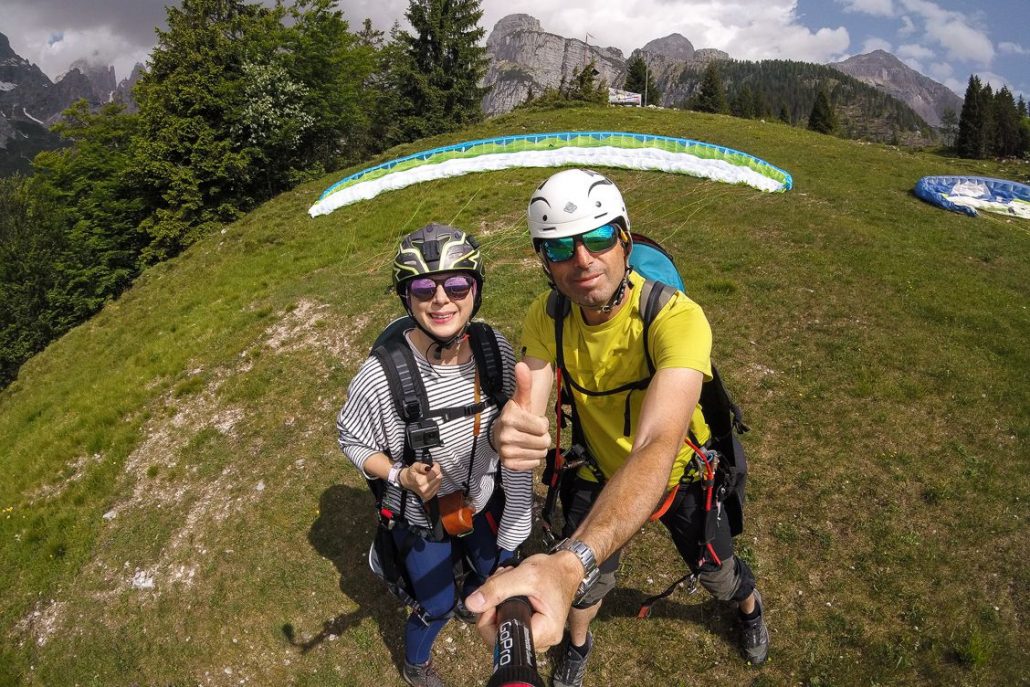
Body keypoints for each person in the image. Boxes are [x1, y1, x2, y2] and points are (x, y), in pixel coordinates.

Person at [465, 169, 770, 685]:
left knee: (717, 570)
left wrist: (569, 560)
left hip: (679, 473)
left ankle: (748, 608)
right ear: (544, 262)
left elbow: (656, 443)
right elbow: (530, 407)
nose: (583, 260)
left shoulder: (675, 317)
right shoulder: (549, 316)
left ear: (624, 239)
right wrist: (508, 432)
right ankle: (577, 644)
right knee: (583, 588)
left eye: (599, 236)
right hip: (598, 468)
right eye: (561, 248)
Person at [337, 224, 533, 687]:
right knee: (438, 603)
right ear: (407, 298)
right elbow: (351, 438)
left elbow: (514, 439)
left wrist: (515, 526)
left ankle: (468, 588)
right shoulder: (379, 377)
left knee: (492, 574)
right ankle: (415, 662)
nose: (441, 299)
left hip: (478, 499)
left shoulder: (493, 352)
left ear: (476, 289)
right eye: (423, 287)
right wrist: (400, 476)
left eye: (457, 284)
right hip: (419, 514)